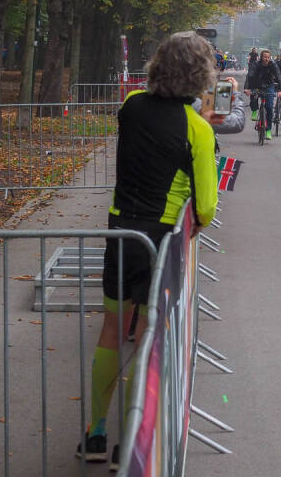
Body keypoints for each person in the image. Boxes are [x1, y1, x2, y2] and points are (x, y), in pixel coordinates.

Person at [76, 31, 218, 467]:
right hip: (160, 241)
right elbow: (207, 206)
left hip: (121, 230)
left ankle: (95, 432)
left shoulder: (130, 105)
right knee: (145, 339)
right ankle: (131, 443)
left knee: (112, 330)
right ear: (201, 75)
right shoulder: (196, 128)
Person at [246, 48, 281, 139]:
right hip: (257, 84)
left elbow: (278, 76)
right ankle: (254, 110)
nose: (266, 59)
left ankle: (268, 130)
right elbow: (250, 76)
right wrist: (247, 88)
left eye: (268, 57)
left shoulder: (273, 65)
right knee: (253, 96)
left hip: (269, 85)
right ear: (261, 58)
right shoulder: (256, 64)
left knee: (269, 108)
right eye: (265, 57)